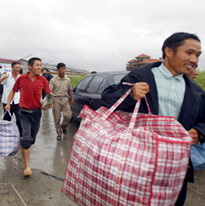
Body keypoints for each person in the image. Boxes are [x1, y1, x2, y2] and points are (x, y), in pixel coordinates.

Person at [100, 32, 205, 206]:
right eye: (189, 53)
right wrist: (130, 94)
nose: (194, 60)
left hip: (176, 168)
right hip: (138, 163)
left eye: (198, 55)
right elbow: (107, 98)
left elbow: (203, 120)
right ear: (169, 51)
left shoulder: (195, 90)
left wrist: (199, 132)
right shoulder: (141, 77)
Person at [4, 57, 52, 176]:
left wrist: (47, 104)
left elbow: (49, 95)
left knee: (32, 140)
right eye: (37, 65)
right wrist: (8, 103)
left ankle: (24, 144)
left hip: (36, 113)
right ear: (30, 67)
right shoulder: (21, 79)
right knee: (26, 139)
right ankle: (27, 166)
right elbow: (13, 91)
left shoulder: (43, 80)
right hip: (24, 113)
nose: (40, 68)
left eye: (41, 65)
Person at [0, 62, 22, 136]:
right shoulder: (7, 76)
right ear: (12, 68)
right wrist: (3, 77)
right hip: (7, 102)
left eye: (19, 68)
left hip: (17, 102)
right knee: (7, 119)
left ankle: (19, 135)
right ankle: (6, 134)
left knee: (19, 119)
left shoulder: (20, 77)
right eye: (16, 67)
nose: (18, 69)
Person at [49, 63, 75, 140]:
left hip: (65, 98)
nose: (64, 71)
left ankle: (63, 126)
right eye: (62, 69)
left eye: (64, 69)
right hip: (56, 99)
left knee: (68, 116)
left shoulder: (68, 79)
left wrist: (72, 99)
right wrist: (50, 102)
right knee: (57, 118)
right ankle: (59, 133)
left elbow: (70, 90)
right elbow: (50, 91)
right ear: (58, 70)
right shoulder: (53, 80)